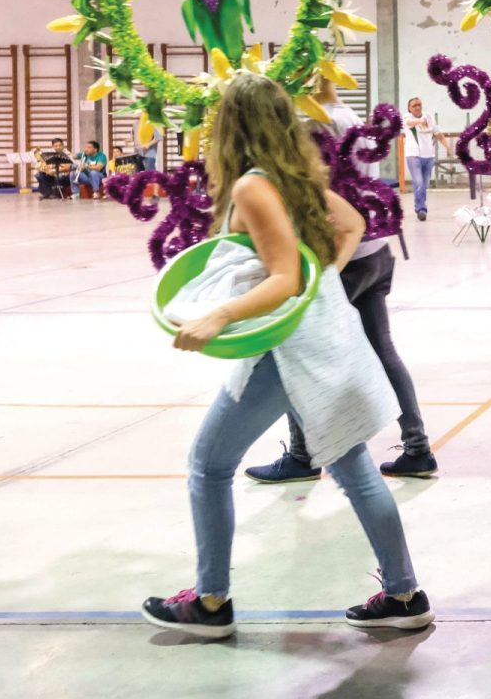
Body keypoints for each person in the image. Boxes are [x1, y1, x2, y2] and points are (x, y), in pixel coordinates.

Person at [141, 73, 430, 639]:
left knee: (208, 465)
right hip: (323, 340)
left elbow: (283, 276)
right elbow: (352, 223)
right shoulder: (292, 177)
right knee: (355, 469)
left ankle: (210, 602)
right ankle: (404, 593)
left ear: (231, 124)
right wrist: (326, 275)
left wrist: (221, 314)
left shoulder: (253, 186)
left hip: (287, 351)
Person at [246, 77, 440, 484]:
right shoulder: (351, 116)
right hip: (374, 251)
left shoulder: (308, 122)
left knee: (293, 351)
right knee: (383, 349)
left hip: (339, 253)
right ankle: (418, 448)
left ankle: (303, 456)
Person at [398, 96, 449, 221]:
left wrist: (449, 148)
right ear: (409, 108)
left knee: (424, 184)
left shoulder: (429, 117)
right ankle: (421, 208)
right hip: (413, 155)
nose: (417, 107)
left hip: (428, 156)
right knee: (419, 182)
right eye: (414, 105)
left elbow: (439, 135)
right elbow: (410, 123)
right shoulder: (406, 117)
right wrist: (420, 122)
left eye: (419, 104)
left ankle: (418, 204)